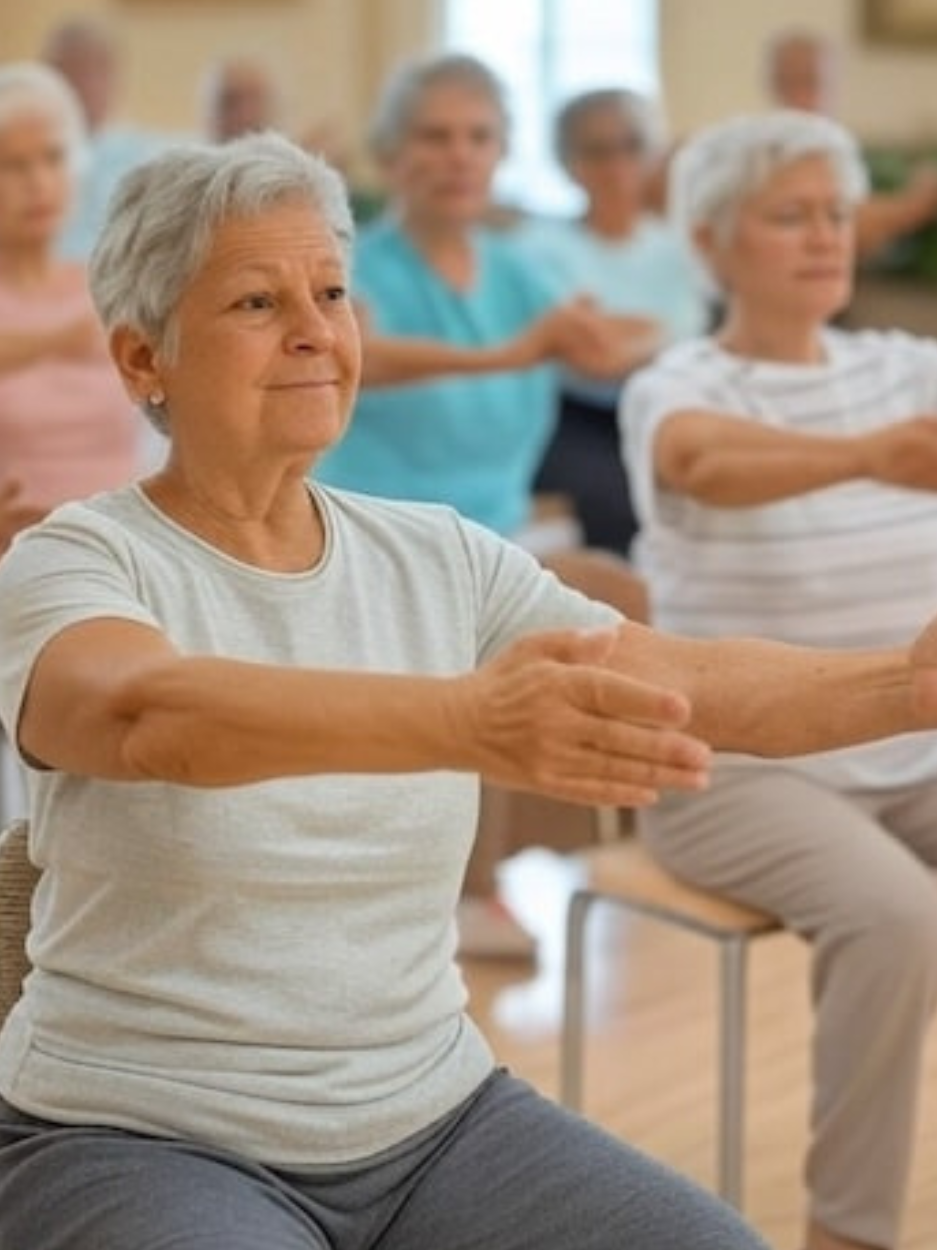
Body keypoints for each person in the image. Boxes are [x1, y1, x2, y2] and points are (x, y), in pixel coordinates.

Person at [5, 129, 937, 1250]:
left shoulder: (438, 554)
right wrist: (466, 719)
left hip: (435, 1118)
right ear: (143, 358)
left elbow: (691, 680)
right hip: (141, 1135)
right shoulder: (75, 558)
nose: (316, 330)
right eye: (257, 302)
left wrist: (906, 683)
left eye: (333, 292)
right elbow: (144, 713)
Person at [621, 109, 937, 1250]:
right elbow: (706, 462)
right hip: (736, 767)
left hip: (915, 747)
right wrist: (868, 457)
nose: (823, 237)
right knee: (898, 914)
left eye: (838, 215)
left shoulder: (905, 366)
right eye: (790, 215)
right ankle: (846, 1234)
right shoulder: (676, 382)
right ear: (710, 243)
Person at [316, 53, 654, 956]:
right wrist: (518, 351)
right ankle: (463, 884)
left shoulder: (515, 268)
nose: (459, 156)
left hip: (493, 539)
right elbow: (364, 357)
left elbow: (592, 347)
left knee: (616, 598)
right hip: (373, 542)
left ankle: (556, 850)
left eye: (479, 137)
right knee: (492, 639)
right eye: (435, 136)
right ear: (392, 154)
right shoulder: (354, 264)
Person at [0, 61, 145, 827]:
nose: (36, 183)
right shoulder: (96, 309)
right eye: (11, 165)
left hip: (118, 572)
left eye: (51, 158)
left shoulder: (104, 287)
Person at [513, 87, 711, 555]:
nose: (616, 164)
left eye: (631, 145)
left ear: (653, 154)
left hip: (673, 406)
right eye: (596, 150)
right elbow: (592, 359)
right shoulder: (540, 247)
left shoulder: (679, 248)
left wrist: (632, 336)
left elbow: (696, 345)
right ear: (567, 162)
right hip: (576, 418)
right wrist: (658, 339)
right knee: (624, 509)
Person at [762, 27, 937, 259]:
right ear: (775, 85)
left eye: (815, 82)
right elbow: (849, 225)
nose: (804, 96)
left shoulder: (840, 150)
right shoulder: (765, 157)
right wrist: (915, 205)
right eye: (794, 81)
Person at [40, 16, 167, 259]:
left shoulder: (143, 157)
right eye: (69, 72)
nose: (83, 85)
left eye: (94, 71)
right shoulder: (23, 153)